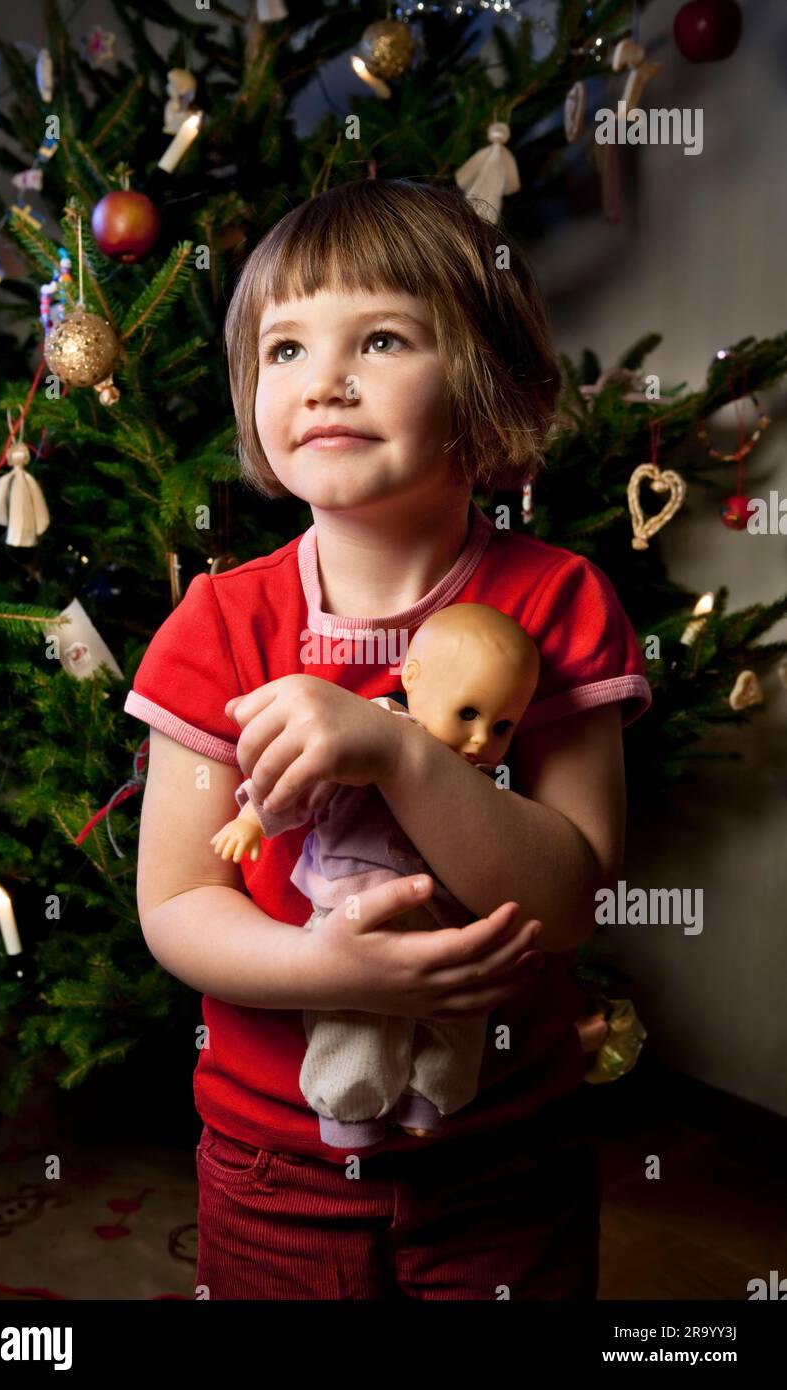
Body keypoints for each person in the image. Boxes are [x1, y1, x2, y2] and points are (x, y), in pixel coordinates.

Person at [124, 178, 652, 1301]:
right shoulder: (219, 625)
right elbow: (174, 904)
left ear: (481, 374)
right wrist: (325, 967)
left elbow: (564, 899)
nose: (322, 379)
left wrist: (398, 748)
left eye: (378, 337)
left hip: (505, 1157)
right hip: (275, 1165)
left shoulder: (558, 601)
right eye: (282, 349)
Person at [210, 604, 541, 1149]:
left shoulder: (478, 776)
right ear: (413, 676)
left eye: (502, 725)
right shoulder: (366, 729)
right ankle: (350, 1111)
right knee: (352, 1018)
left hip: (444, 915)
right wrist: (253, 818)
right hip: (352, 907)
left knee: (456, 1015)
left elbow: (505, 840)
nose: (482, 739)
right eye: (468, 713)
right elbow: (299, 781)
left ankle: (430, 1098)